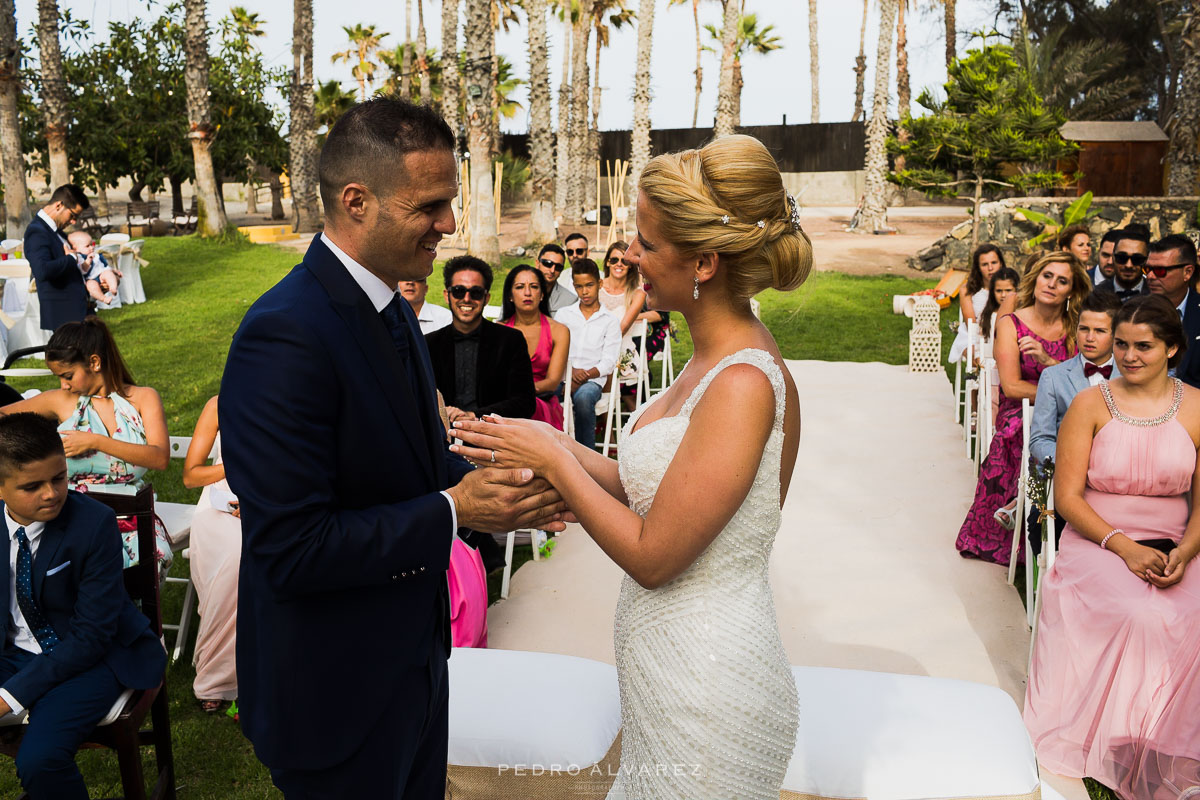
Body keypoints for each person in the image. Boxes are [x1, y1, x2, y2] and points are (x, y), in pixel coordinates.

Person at [218, 98, 567, 799]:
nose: (448, 224)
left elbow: (415, 462)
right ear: (357, 201)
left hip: (413, 671)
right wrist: (451, 507)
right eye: (430, 205)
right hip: (333, 695)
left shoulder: (393, 311)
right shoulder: (284, 337)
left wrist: (504, 489)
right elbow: (293, 549)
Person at [453, 133, 812, 799]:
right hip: (670, 681)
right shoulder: (715, 358)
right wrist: (544, 440)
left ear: (704, 260)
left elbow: (654, 554)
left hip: (708, 694)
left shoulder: (742, 383)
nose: (630, 257)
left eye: (646, 241)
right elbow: (651, 488)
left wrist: (556, 467)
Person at [1025, 294, 1200, 800]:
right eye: (1121, 344)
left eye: (1143, 346)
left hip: (1177, 544)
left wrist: (1185, 553)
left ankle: (1170, 743)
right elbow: (1067, 497)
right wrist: (1125, 548)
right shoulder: (1089, 402)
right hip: (1097, 539)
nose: (1128, 355)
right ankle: (1125, 742)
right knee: (1137, 613)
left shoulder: (1196, 407)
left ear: (1172, 348)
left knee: (1191, 614)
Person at [0, 412, 165, 800]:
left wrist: (9, 696)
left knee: (40, 760)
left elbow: (92, 633)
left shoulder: (93, 523)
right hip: (13, 651)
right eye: (32, 485)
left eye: (58, 478)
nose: (52, 493)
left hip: (92, 656)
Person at [0, 318, 173, 578]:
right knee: (65, 567)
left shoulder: (142, 398)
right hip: (68, 516)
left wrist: (94, 441)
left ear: (94, 362)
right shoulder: (61, 401)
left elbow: (159, 458)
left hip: (129, 516)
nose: (63, 385)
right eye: (59, 378)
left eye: (68, 376)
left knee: (143, 563)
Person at [956, 252, 1089, 565]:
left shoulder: (1075, 327)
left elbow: (1082, 380)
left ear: (1071, 290)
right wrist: (1056, 389)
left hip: (1070, 410)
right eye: (1047, 276)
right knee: (1020, 431)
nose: (1052, 285)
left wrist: (1047, 361)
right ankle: (1024, 517)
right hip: (1021, 408)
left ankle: (1050, 515)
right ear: (1037, 277)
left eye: (1062, 281)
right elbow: (1012, 386)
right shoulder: (1011, 323)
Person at [181, 395, 240, 713]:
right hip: (220, 502)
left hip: (273, 499)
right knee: (235, 559)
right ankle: (215, 678)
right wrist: (234, 466)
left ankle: (261, 671)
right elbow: (191, 476)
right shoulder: (218, 405)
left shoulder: (291, 398)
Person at [424, 255, 535, 423]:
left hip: (495, 436)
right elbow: (419, 397)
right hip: (443, 436)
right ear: (447, 295)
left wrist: (474, 415)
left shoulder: (511, 341)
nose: (466, 298)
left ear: (486, 298)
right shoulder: (429, 344)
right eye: (459, 291)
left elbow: (525, 403)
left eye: (475, 293)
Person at [1029, 289, 1121, 466]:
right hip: (1070, 470)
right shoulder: (1054, 377)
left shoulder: (1128, 375)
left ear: (1116, 334)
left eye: (1100, 331)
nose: (1089, 338)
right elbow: (1040, 440)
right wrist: (1074, 462)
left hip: (1118, 470)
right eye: (1084, 329)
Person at [555, 258, 622, 449]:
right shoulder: (563, 315)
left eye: (589, 285)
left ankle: (586, 455)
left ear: (600, 284)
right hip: (563, 376)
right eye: (579, 286)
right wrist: (570, 375)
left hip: (593, 380)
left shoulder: (609, 320)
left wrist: (582, 377)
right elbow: (557, 351)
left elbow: (609, 361)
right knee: (540, 394)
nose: (584, 292)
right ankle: (550, 450)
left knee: (583, 399)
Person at [500, 264, 570, 430]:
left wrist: (522, 394)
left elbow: (553, 382)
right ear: (510, 295)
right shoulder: (499, 330)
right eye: (519, 287)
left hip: (542, 399)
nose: (527, 293)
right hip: (503, 400)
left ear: (542, 294)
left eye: (534, 287)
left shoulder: (559, 331)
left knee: (532, 407)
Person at [23, 184, 90, 333]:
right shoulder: (36, 231)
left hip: (77, 312)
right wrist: (72, 258)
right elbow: (42, 270)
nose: (74, 222)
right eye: (73, 215)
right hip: (64, 317)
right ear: (59, 205)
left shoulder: (56, 232)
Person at [1145, 234, 1200, 383]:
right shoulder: (1132, 311)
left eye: (1160, 270)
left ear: (1187, 272)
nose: (1150, 276)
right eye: (1147, 269)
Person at [950, 244, 1006, 362]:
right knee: (977, 356)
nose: (990, 268)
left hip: (1002, 333)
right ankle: (980, 377)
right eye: (985, 264)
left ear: (1001, 263)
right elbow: (971, 325)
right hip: (974, 334)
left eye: (994, 262)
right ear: (978, 267)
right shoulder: (967, 290)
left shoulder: (1008, 288)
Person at [66, 232, 121, 309]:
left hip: (101, 274)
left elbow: (105, 266)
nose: (91, 248)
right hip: (90, 279)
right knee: (91, 287)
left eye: (92, 244)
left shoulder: (96, 255)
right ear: (75, 248)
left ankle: (113, 288)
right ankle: (104, 298)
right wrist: (88, 261)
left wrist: (114, 271)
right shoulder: (79, 257)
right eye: (87, 246)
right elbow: (82, 270)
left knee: (108, 274)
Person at [1096, 229, 1150, 302]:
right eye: (1122, 258)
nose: (1128, 265)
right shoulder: (1097, 295)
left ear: (1146, 260)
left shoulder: (1156, 294)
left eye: (1137, 259)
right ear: (1113, 258)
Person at [536, 243, 577, 315]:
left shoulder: (570, 301)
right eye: (548, 264)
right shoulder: (520, 292)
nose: (552, 270)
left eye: (558, 267)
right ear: (537, 264)